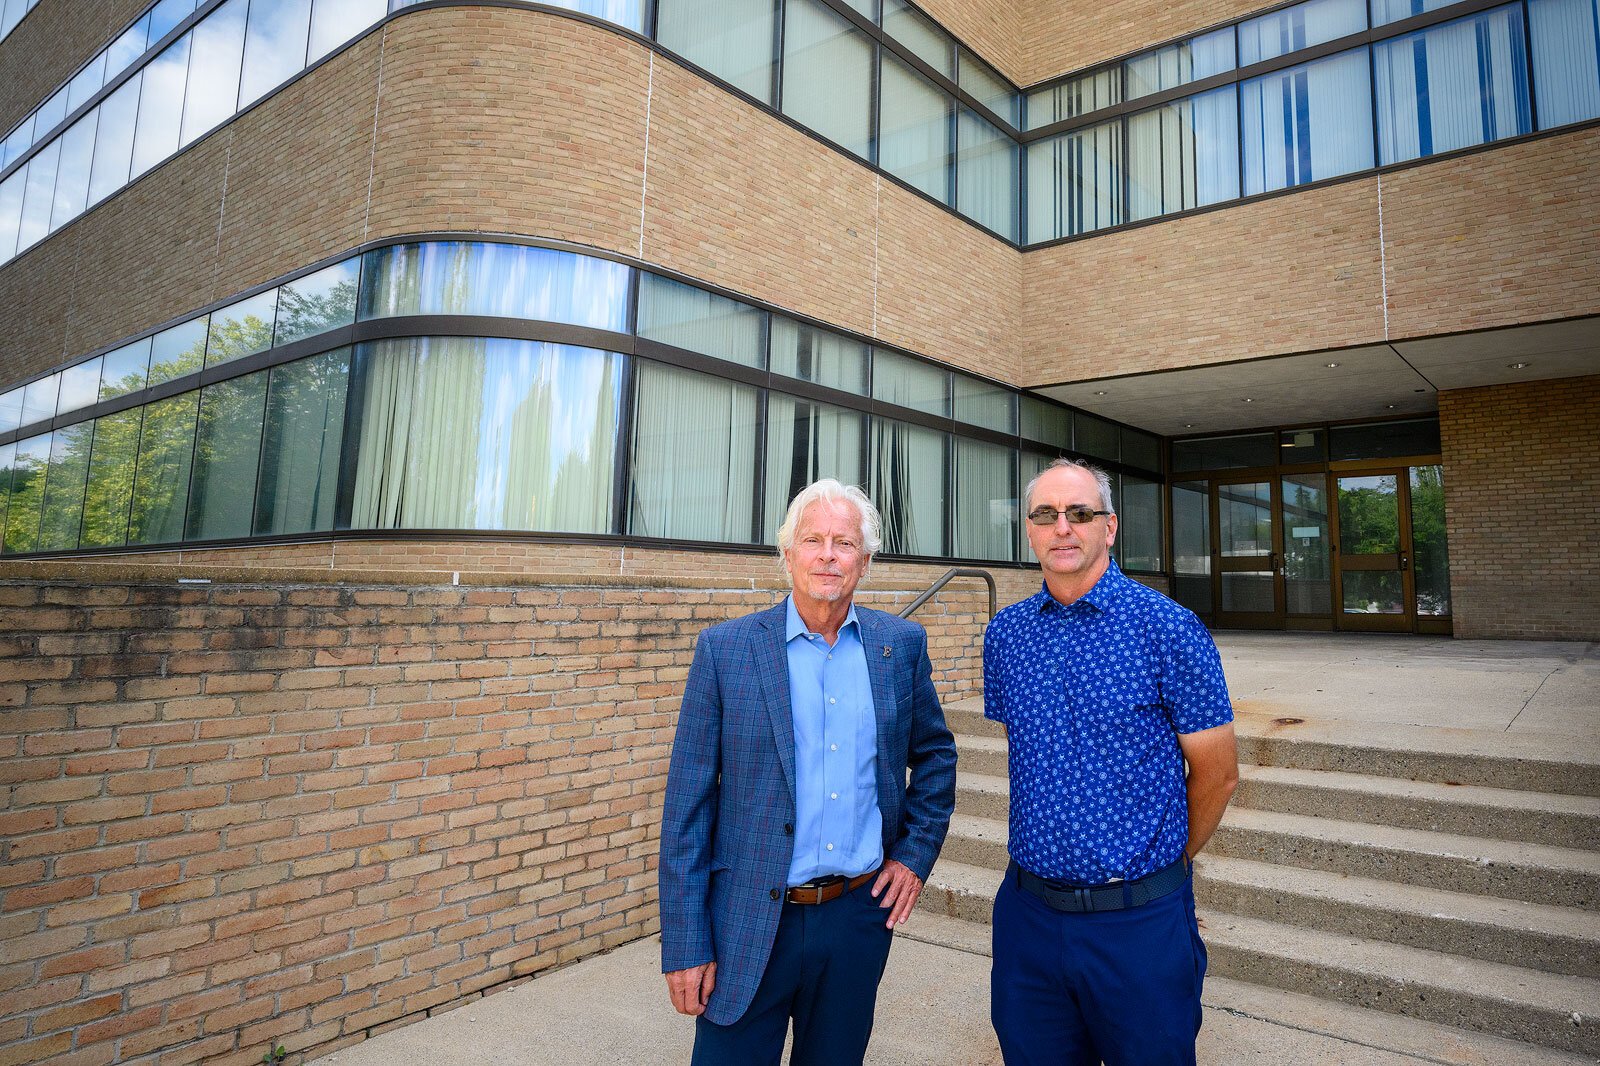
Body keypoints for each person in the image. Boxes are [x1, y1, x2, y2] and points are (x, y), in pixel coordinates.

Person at [659, 478, 958, 1066]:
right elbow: (686, 808)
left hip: (854, 918)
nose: (828, 554)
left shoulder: (900, 646)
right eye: (813, 539)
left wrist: (914, 855)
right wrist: (685, 941)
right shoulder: (726, 651)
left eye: (844, 543)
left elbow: (937, 756)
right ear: (787, 553)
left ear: (865, 562)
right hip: (747, 920)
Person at [984, 458, 1239, 1066]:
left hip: (1139, 927)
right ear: (1029, 530)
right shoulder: (1007, 635)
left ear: (1110, 527)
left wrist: (1164, 870)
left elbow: (1219, 774)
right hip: (1029, 920)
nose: (1063, 528)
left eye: (1080, 513)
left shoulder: (1169, 629)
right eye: (1046, 515)